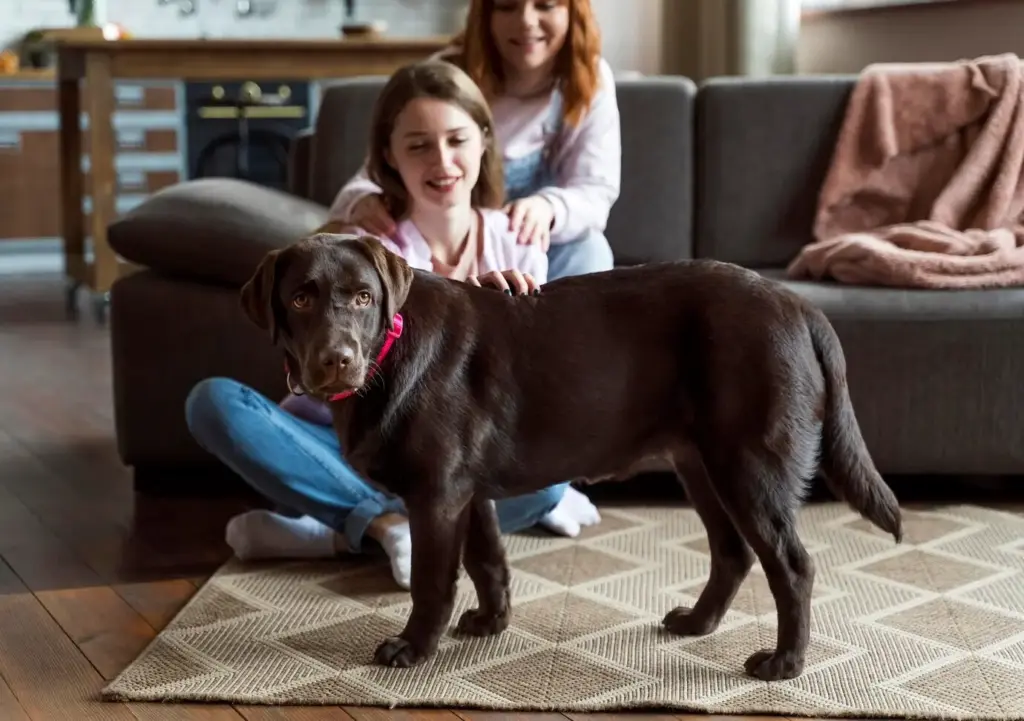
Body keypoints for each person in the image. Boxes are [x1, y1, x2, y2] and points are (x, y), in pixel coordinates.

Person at [184, 59, 601, 591]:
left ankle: (342, 530)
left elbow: (527, 403)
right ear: (388, 156)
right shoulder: (364, 252)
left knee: (547, 484)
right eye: (418, 145)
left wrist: (505, 319)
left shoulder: (519, 243)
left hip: (455, 458)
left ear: (484, 141)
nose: (442, 161)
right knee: (212, 404)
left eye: (457, 140)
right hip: (345, 444)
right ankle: (389, 524)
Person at [329, 0, 621, 282]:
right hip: (435, 234)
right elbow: (373, 174)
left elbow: (595, 189)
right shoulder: (445, 75)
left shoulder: (589, 79)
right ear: (485, 15)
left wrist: (549, 208)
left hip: (532, 238)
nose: (526, 21)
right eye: (506, 6)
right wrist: (362, 201)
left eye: (545, 5)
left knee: (591, 249)